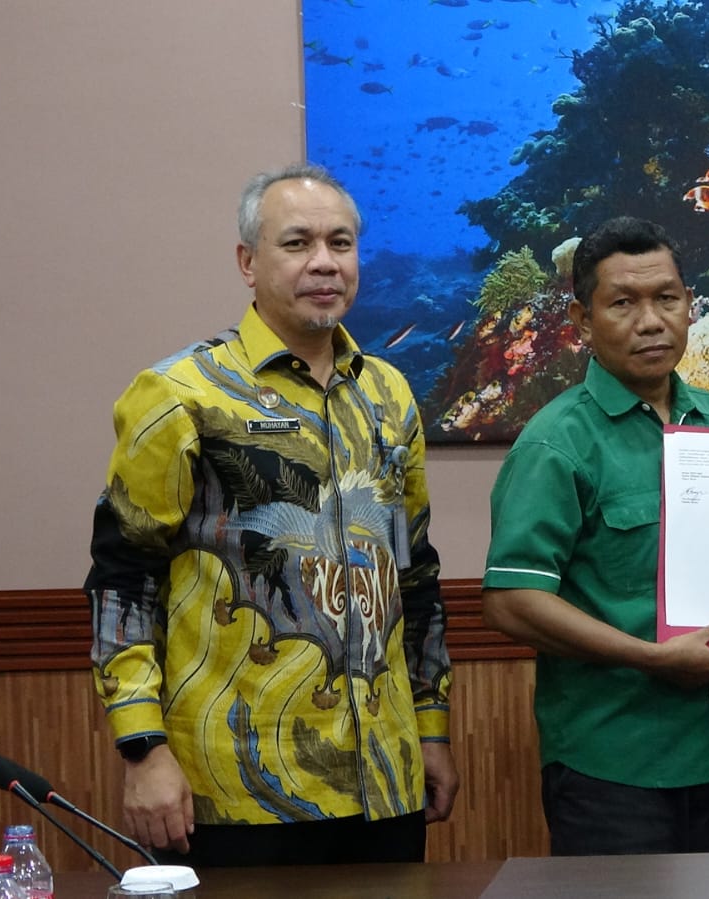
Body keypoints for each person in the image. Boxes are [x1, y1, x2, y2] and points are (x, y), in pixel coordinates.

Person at [84, 163, 458, 866]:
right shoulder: (181, 393)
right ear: (247, 262)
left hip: (387, 781)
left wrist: (431, 727)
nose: (324, 262)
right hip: (237, 785)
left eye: (340, 242)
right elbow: (123, 577)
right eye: (297, 243)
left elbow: (415, 577)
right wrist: (142, 747)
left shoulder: (389, 394)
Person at [481, 216, 709, 856]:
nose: (651, 321)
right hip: (614, 768)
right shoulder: (556, 443)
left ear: (690, 305)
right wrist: (650, 657)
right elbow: (511, 601)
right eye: (623, 303)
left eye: (667, 298)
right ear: (583, 321)